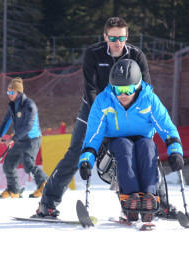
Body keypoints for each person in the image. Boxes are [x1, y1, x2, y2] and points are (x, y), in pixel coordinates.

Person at [35, 17, 153, 218]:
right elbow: (90, 89)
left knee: (129, 156)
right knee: (76, 156)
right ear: (105, 36)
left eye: (122, 37)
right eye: (113, 37)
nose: (118, 42)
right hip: (93, 110)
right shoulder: (93, 53)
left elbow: (147, 90)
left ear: (127, 36)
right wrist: (100, 115)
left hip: (125, 112)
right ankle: (48, 203)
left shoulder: (136, 55)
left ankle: (143, 204)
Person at [78, 59, 184, 222]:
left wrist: (175, 152)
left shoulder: (149, 100)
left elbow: (167, 128)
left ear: (137, 85)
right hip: (113, 150)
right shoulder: (103, 101)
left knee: (147, 145)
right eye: (118, 90)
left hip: (143, 144)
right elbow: (94, 135)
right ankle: (130, 199)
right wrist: (86, 160)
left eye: (127, 90)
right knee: (124, 145)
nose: (122, 95)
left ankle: (150, 198)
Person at [0, 77, 48, 198]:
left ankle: (44, 184)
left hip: (32, 139)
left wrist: (12, 138)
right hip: (20, 139)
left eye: (12, 92)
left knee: (28, 162)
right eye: (8, 92)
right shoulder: (12, 105)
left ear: (19, 92)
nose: (10, 95)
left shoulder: (29, 105)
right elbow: (6, 121)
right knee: (8, 164)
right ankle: (14, 190)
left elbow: (28, 127)